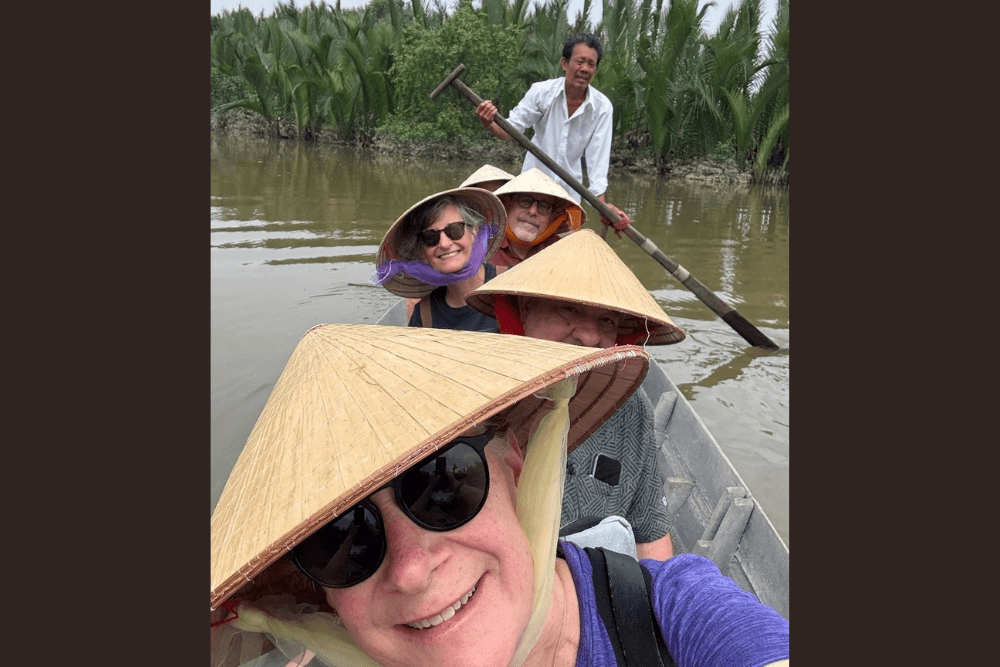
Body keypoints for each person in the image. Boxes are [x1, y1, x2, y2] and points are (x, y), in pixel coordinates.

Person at [210, 324, 789, 667]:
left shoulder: (679, 615)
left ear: (516, 466)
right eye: (339, 541)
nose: (411, 570)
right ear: (324, 597)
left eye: (444, 485)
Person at [465, 228, 687, 561]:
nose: (589, 336)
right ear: (525, 308)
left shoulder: (628, 404)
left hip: (591, 589)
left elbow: (649, 534)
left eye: (606, 319)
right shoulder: (474, 393)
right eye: (568, 310)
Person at [475, 33, 631, 237]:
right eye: (580, 61)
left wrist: (602, 206)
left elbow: (597, 161)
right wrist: (488, 123)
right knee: (520, 248)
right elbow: (508, 132)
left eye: (591, 64)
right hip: (530, 192)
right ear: (565, 63)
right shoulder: (542, 93)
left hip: (568, 198)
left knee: (562, 255)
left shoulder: (601, 108)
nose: (585, 69)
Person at [372, 187, 506, 331]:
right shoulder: (424, 313)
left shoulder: (511, 285)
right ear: (422, 253)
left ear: (474, 231)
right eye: (430, 237)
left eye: (455, 230)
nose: (444, 244)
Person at [490, 168, 586, 267]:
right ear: (508, 205)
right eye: (525, 201)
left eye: (544, 206)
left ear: (552, 217)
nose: (533, 211)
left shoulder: (561, 253)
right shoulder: (481, 246)